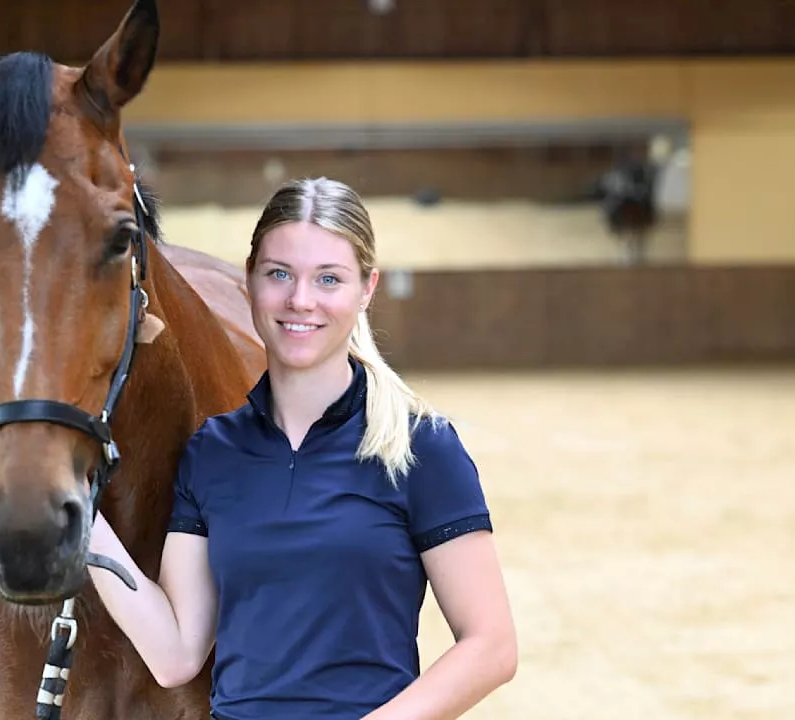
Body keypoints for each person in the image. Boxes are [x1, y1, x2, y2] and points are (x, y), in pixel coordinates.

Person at [87, 177, 517, 720]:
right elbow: (175, 656)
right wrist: (84, 518)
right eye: (280, 274)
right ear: (249, 282)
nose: (301, 301)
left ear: (366, 289)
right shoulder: (212, 453)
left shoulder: (420, 447)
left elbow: (491, 646)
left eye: (329, 279)